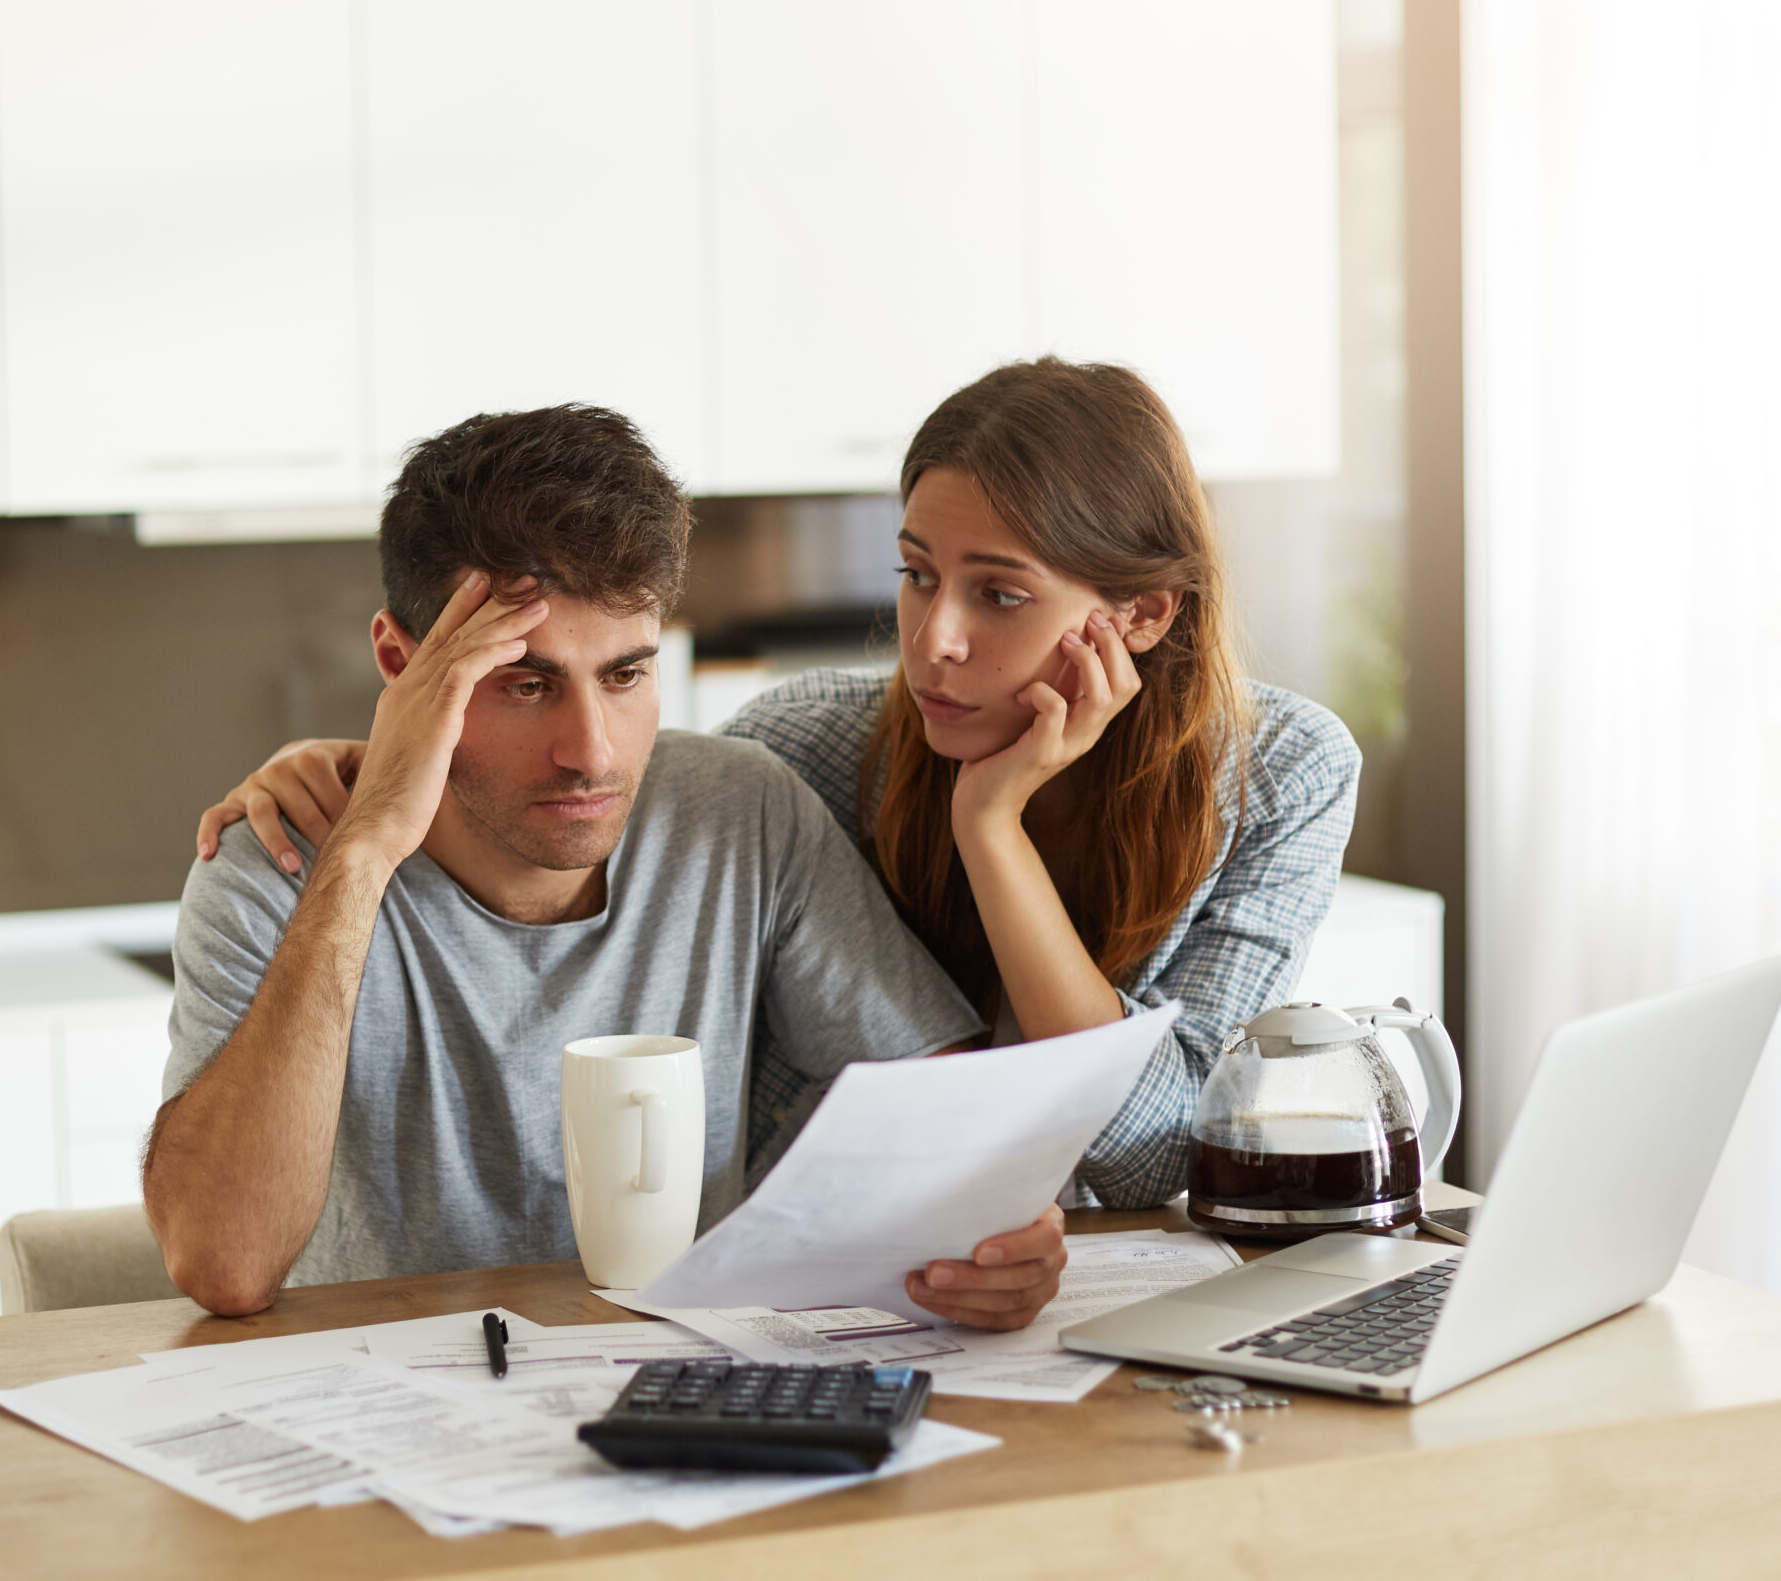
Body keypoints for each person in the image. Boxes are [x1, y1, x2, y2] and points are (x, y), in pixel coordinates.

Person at [197, 358, 1361, 1210]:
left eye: (997, 596)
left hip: (1068, 1271)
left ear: (1142, 614)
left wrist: (989, 827)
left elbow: (1150, 1154)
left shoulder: (1281, 777)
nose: (933, 641)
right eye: (913, 577)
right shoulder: (801, 750)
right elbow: (589, 790)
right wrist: (373, 772)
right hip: (848, 1279)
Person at [144, 403, 1069, 1326]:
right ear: (400, 662)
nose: (590, 751)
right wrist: (365, 849)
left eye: (625, 674)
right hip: (386, 1411)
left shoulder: (741, 811)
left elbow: (954, 1121)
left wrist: (997, 1235)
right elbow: (225, 1266)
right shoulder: (274, 862)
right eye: (524, 682)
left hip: (680, 1394)